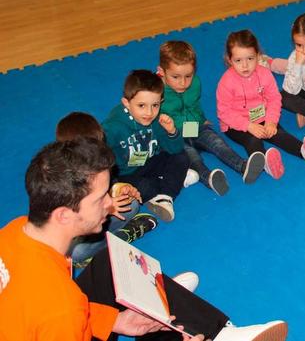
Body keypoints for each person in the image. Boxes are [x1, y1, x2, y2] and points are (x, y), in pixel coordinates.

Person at [0, 139, 287, 341]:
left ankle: (189, 316)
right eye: (101, 198)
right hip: (61, 322)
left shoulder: (15, 231)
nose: (111, 204)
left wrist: (114, 320)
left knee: (110, 262)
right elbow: (59, 312)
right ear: (63, 215)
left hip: (47, 320)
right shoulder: (62, 309)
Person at [158, 40, 260, 196]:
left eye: (188, 76)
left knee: (218, 144)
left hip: (195, 126)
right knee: (192, 156)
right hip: (173, 135)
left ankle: (243, 166)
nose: (183, 82)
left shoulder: (195, 83)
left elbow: (194, 105)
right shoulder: (155, 91)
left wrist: (202, 119)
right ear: (161, 72)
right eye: (176, 77)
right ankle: (209, 178)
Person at [56, 111, 158, 267]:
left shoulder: (100, 163)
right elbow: (73, 222)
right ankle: (120, 238)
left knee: (132, 205)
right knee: (75, 253)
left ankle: (109, 243)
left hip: (101, 219)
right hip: (79, 230)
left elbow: (109, 188)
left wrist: (119, 189)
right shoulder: (64, 181)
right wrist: (106, 209)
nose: (96, 153)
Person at [216, 29, 305, 180]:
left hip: (263, 116)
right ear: (229, 60)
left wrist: (271, 122)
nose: (245, 65)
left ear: (258, 56)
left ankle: (303, 150)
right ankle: (266, 165)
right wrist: (249, 126)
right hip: (236, 124)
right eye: (238, 60)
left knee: (278, 133)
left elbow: (274, 99)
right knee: (253, 140)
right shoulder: (226, 83)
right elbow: (224, 113)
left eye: (250, 59)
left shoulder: (264, 73)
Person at [102, 70, 191, 222]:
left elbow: (175, 149)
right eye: (141, 105)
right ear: (126, 103)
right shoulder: (112, 128)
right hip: (126, 174)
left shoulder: (157, 118)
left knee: (183, 157)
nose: (149, 112)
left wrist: (172, 131)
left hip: (149, 161)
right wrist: (114, 186)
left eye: (155, 105)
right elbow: (98, 160)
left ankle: (165, 196)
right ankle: (171, 183)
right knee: (144, 189)